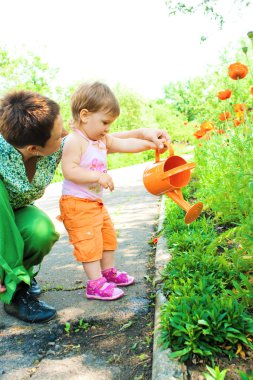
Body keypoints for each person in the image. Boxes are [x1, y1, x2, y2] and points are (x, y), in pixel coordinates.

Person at [0, 89, 170, 321]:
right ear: (33, 149)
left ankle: (22, 275)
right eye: (60, 134)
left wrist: (145, 135)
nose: (66, 133)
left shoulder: (57, 143)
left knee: (41, 230)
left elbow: (101, 140)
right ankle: (14, 289)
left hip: (17, 211)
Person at [59, 81, 166, 301]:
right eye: (105, 122)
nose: (108, 128)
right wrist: (97, 176)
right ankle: (94, 284)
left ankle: (107, 273)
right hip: (77, 203)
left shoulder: (100, 140)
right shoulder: (75, 141)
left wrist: (151, 144)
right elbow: (69, 170)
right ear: (85, 115)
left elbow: (126, 145)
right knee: (88, 242)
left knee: (107, 238)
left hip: (94, 202)